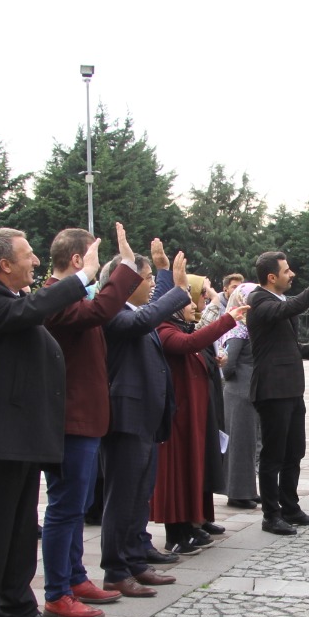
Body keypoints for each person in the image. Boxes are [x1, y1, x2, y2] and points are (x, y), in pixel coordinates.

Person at [0, 228, 84, 617]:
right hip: (0, 437)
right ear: (4, 265)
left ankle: (17, 603)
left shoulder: (10, 298)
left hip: (22, 437)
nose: (36, 262)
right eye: (28, 256)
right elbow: (35, 309)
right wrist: (80, 279)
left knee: (19, 528)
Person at [41, 224, 141, 617]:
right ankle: (56, 591)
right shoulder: (54, 295)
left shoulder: (72, 295)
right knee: (65, 507)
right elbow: (101, 309)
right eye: (95, 257)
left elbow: (97, 309)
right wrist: (126, 267)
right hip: (71, 419)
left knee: (77, 504)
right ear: (79, 260)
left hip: (85, 417)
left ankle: (75, 577)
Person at [98, 244, 191, 594]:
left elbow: (152, 309)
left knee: (139, 496)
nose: (152, 283)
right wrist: (179, 289)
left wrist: (166, 272)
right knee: (121, 498)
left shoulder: (136, 309)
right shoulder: (113, 313)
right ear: (126, 281)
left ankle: (135, 561)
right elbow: (146, 318)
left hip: (146, 418)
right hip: (126, 419)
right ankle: (115, 570)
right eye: (148, 277)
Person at [245, 249, 309, 535]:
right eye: (286, 271)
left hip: (291, 389)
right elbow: (290, 308)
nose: (291, 274)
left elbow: (283, 346)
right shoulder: (259, 300)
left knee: (294, 452)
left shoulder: (277, 301)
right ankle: (271, 515)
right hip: (272, 391)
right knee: (273, 456)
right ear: (271, 277)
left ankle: (291, 508)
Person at [153, 284, 245, 553]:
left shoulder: (181, 328)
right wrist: (229, 318)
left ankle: (194, 524)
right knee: (179, 475)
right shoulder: (165, 329)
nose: (196, 306)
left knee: (194, 472)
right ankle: (178, 534)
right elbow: (190, 344)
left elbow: (198, 347)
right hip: (178, 418)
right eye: (190, 301)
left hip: (194, 414)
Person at [218, 282, 261, 509]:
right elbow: (228, 365)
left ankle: (247, 490)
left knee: (248, 444)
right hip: (239, 393)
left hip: (247, 392)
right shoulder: (237, 329)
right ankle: (237, 492)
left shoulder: (246, 327)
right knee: (240, 444)